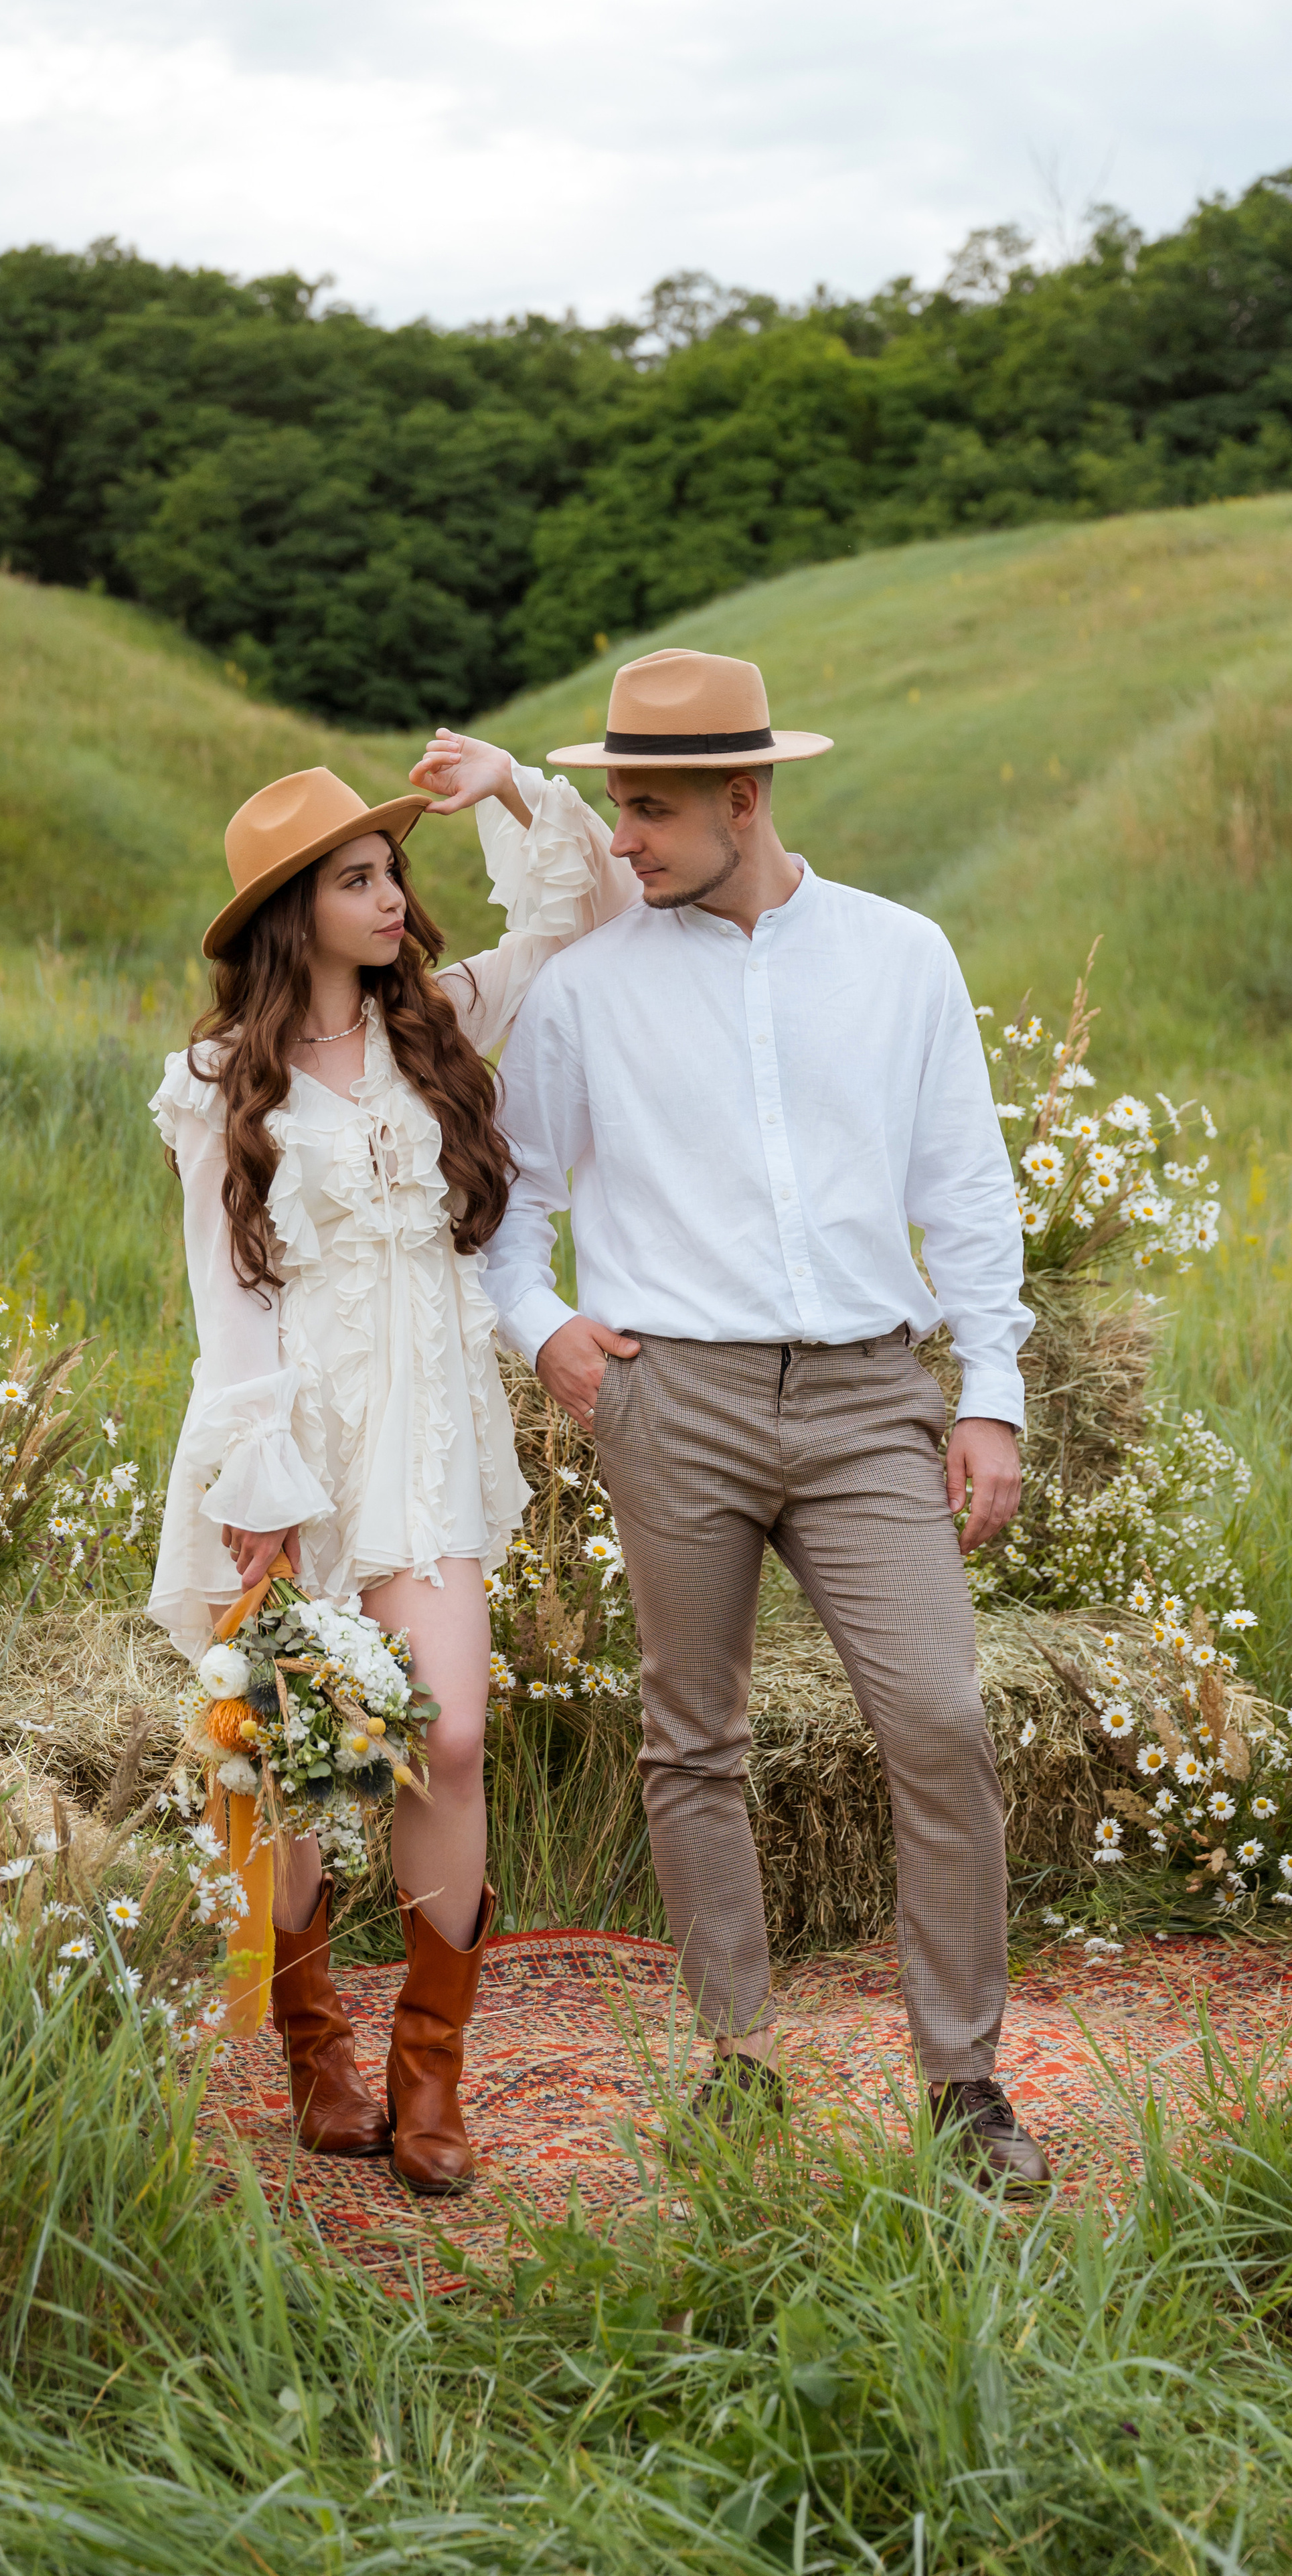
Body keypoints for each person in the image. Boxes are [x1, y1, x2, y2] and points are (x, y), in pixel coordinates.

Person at [483, 646, 1054, 2192]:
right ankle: (736, 2059)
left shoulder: (897, 955)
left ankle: (963, 2084)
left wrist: (986, 1396)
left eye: (651, 809)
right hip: (676, 1398)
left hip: (872, 1392)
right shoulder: (584, 993)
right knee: (693, 1738)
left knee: (937, 1718)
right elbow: (505, 1210)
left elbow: (964, 1191)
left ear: (745, 796)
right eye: (615, 805)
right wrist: (546, 1334)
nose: (622, 839)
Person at [149, 759, 637, 2193]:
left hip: (427, 1438)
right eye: (358, 878)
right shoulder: (211, 1087)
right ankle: (318, 2053)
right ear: (293, 912)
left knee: (450, 1739)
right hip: (297, 1456)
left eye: (392, 873)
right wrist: (258, 1476)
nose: (390, 899)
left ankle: (432, 2067)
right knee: (309, 1765)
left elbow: (581, 907)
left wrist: (506, 783)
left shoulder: (442, 1020)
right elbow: (224, 1297)